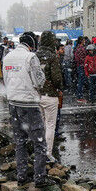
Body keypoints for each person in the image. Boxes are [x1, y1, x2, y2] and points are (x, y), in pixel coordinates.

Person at [3, 32, 52, 187]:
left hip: (13, 103)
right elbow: (39, 81)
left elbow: (5, 79)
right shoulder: (30, 57)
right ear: (32, 45)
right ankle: (40, 179)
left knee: (20, 142)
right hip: (29, 104)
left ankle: (22, 176)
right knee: (39, 143)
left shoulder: (7, 57)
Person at [36, 31, 63, 161]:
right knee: (50, 125)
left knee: (40, 125)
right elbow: (57, 78)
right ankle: (47, 154)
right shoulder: (52, 57)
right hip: (50, 94)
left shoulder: (34, 56)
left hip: (37, 94)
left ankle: (39, 152)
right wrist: (59, 88)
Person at [74, 37, 89, 102]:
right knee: (81, 81)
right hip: (81, 66)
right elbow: (79, 58)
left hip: (80, 66)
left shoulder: (78, 48)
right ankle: (80, 96)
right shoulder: (81, 48)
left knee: (81, 81)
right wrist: (85, 61)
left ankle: (80, 96)